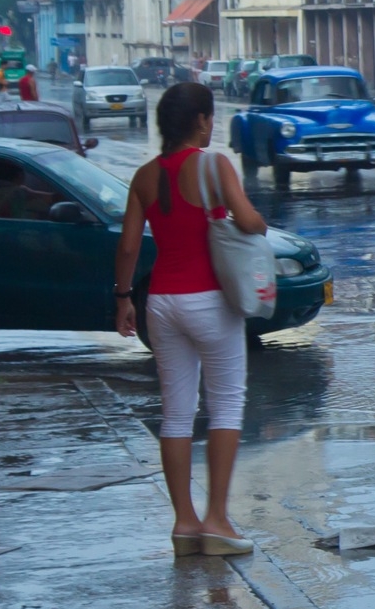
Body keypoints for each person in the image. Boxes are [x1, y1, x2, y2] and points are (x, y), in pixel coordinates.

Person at [112, 83, 268, 558]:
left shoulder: (145, 176)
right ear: (199, 120)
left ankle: (184, 522)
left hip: (161, 302)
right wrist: (256, 220)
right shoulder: (213, 165)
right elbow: (247, 222)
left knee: (176, 413)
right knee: (224, 406)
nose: (212, 125)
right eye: (210, 117)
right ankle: (217, 519)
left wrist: (123, 299)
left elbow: (128, 247)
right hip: (209, 301)